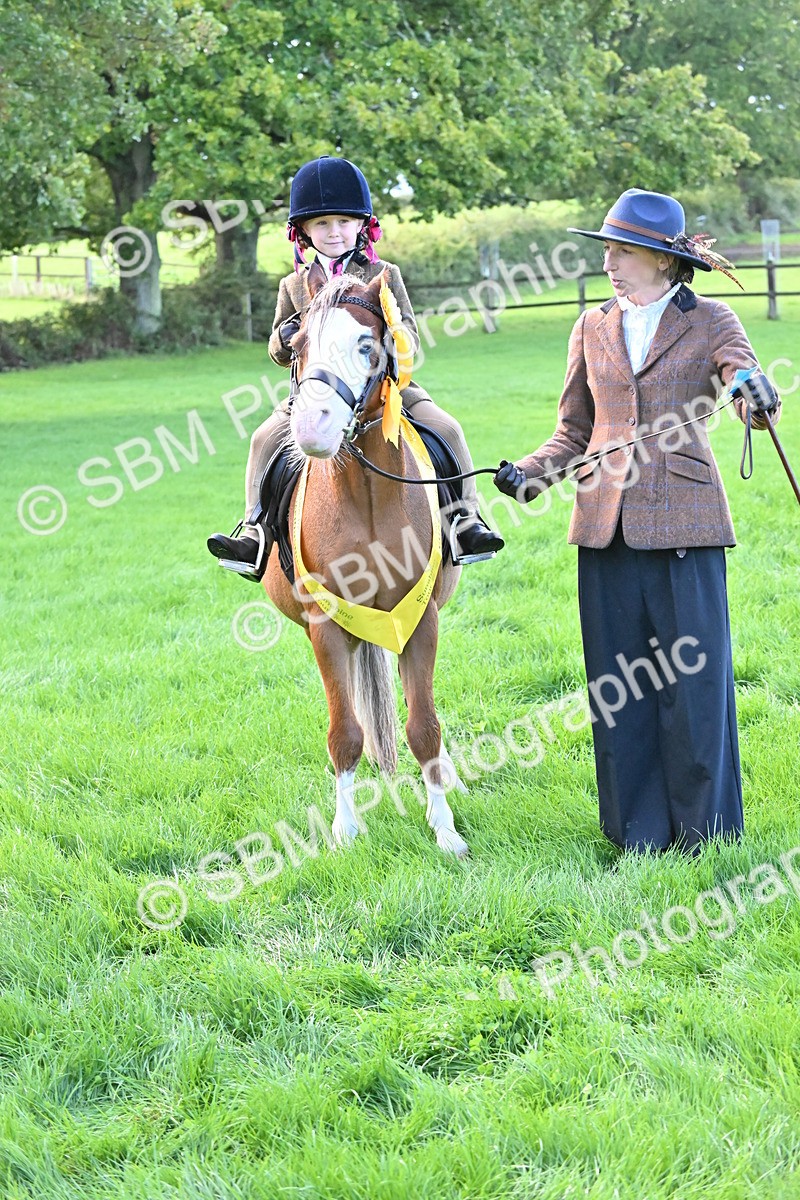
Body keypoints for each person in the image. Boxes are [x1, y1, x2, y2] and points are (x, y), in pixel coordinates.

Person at [494, 187, 781, 855]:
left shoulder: (711, 319)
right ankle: (637, 835)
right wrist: (530, 474)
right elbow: (574, 429)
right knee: (617, 689)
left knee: (694, 686)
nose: (611, 263)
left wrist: (755, 397)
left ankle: (705, 834)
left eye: (622, 252)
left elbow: (745, 385)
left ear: (662, 260)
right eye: (609, 251)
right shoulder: (591, 326)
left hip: (687, 524)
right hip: (603, 525)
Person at [208, 155, 503, 579]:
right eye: (323, 224)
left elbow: (412, 339)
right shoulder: (293, 286)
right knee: (261, 439)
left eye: (344, 222)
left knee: (449, 428)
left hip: (384, 392)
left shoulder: (384, 273)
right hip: (313, 394)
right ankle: (254, 531)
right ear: (305, 231)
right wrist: (288, 336)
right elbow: (275, 349)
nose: (334, 232)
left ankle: (465, 521)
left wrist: (392, 344)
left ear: (360, 226)